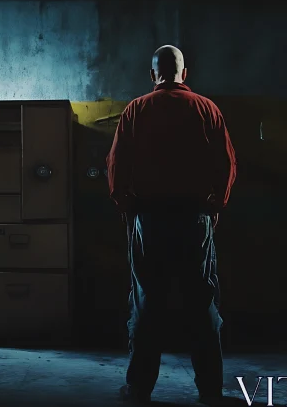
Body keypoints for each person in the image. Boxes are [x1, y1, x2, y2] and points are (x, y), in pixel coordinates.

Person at [106, 45, 238, 405]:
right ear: (185, 72)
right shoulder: (207, 109)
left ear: (153, 75)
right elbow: (226, 164)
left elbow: (117, 165)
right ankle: (210, 390)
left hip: (149, 218)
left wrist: (127, 205)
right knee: (202, 304)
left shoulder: (136, 110)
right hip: (195, 218)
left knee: (147, 303)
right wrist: (214, 206)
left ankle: (140, 388)